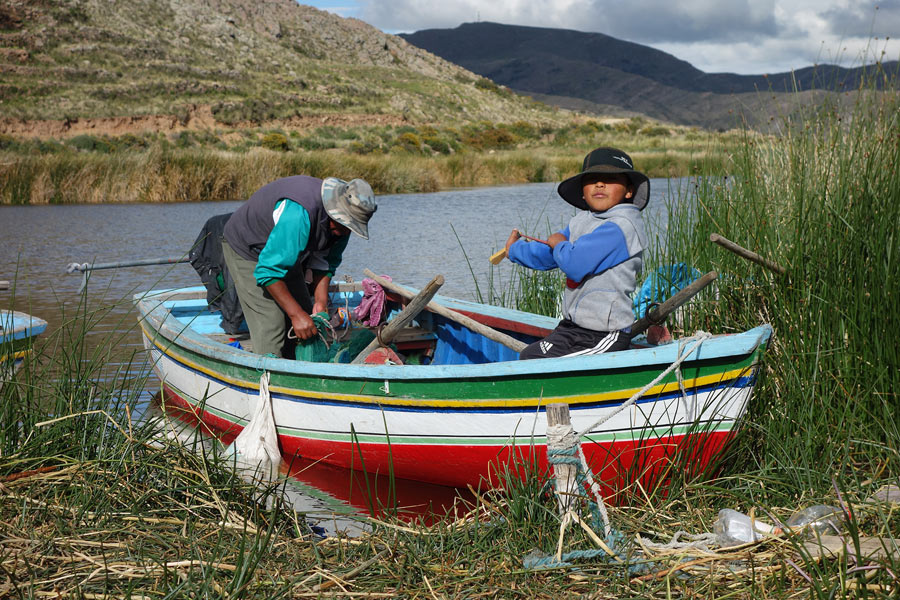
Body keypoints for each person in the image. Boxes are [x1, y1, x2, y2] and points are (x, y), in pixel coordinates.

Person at [504, 147, 649, 359]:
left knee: (542, 365)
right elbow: (548, 254)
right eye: (592, 180)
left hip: (604, 332)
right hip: (573, 328)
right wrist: (514, 250)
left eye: (610, 179)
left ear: (629, 191)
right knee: (529, 356)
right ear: (582, 191)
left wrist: (559, 244)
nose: (599, 184)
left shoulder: (622, 226)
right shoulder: (582, 221)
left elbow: (574, 264)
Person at [222, 175, 377, 357]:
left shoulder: (341, 227)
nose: (344, 232)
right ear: (332, 210)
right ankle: (267, 379)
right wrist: (295, 315)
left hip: (284, 250)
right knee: (273, 324)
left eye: (350, 227)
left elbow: (325, 263)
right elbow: (269, 271)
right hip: (248, 248)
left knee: (308, 315)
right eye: (343, 224)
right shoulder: (299, 213)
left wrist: (320, 302)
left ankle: (295, 366)